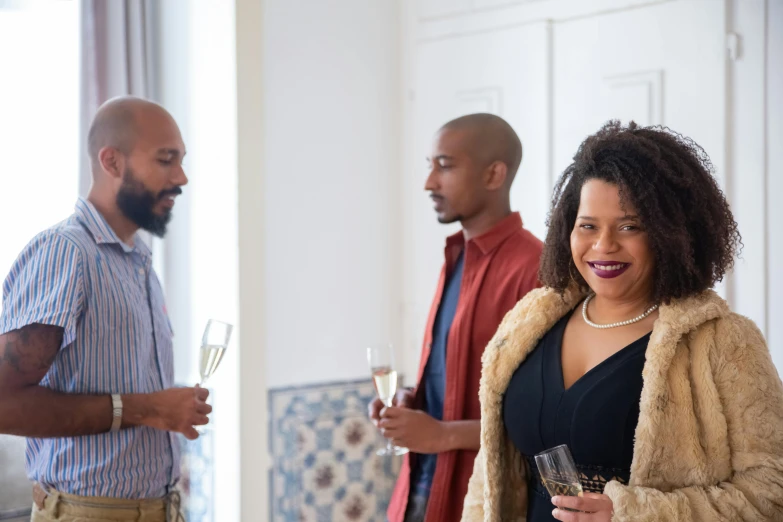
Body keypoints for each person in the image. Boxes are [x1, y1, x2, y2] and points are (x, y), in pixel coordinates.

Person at [461, 121, 783, 522]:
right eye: (588, 226)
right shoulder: (530, 320)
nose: (604, 246)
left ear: (672, 234)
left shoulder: (724, 341)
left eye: (630, 226)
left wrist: (634, 513)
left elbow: (772, 491)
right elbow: (489, 476)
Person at [0, 96, 207, 522]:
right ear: (112, 162)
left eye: (181, 160)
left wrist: (165, 404)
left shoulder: (138, 261)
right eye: (166, 160)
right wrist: (150, 408)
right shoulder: (65, 253)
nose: (181, 177)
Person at [370, 113, 543, 522]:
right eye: (429, 166)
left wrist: (443, 434)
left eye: (444, 166)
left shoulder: (534, 268)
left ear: (494, 174)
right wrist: (413, 403)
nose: (429, 182)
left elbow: (543, 419)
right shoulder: (456, 257)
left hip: (479, 501)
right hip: (422, 486)